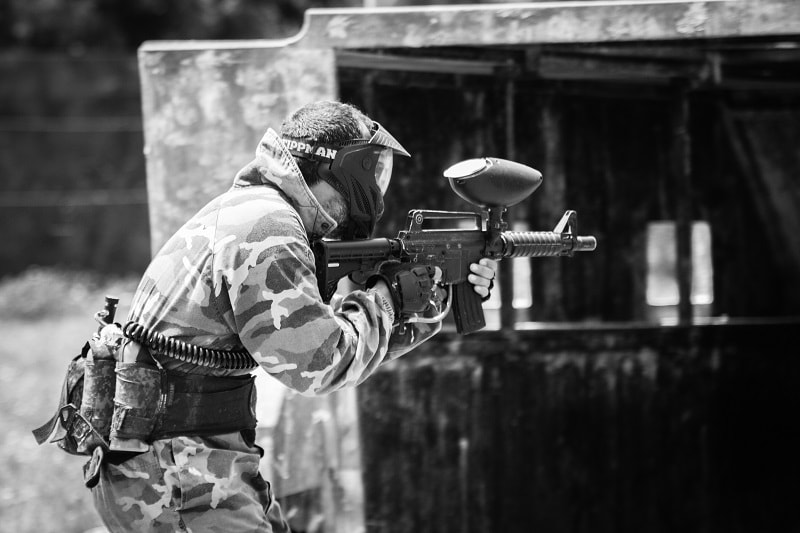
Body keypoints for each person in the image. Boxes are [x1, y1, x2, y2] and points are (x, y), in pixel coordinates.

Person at [91, 100, 497, 532]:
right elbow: (321, 364)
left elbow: (332, 340)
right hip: (173, 473)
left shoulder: (257, 209)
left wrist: (428, 297)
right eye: (369, 174)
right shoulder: (269, 229)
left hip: (192, 458)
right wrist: (392, 297)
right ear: (337, 170)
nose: (373, 194)